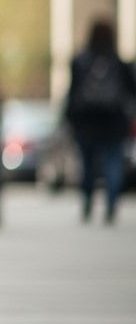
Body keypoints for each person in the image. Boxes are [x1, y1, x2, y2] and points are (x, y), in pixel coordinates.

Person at [65, 18, 136, 224]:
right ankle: (111, 203)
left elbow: (72, 93)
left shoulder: (80, 62)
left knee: (87, 164)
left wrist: (69, 118)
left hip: (87, 122)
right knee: (113, 162)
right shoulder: (119, 63)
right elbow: (131, 92)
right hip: (113, 122)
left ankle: (88, 201)